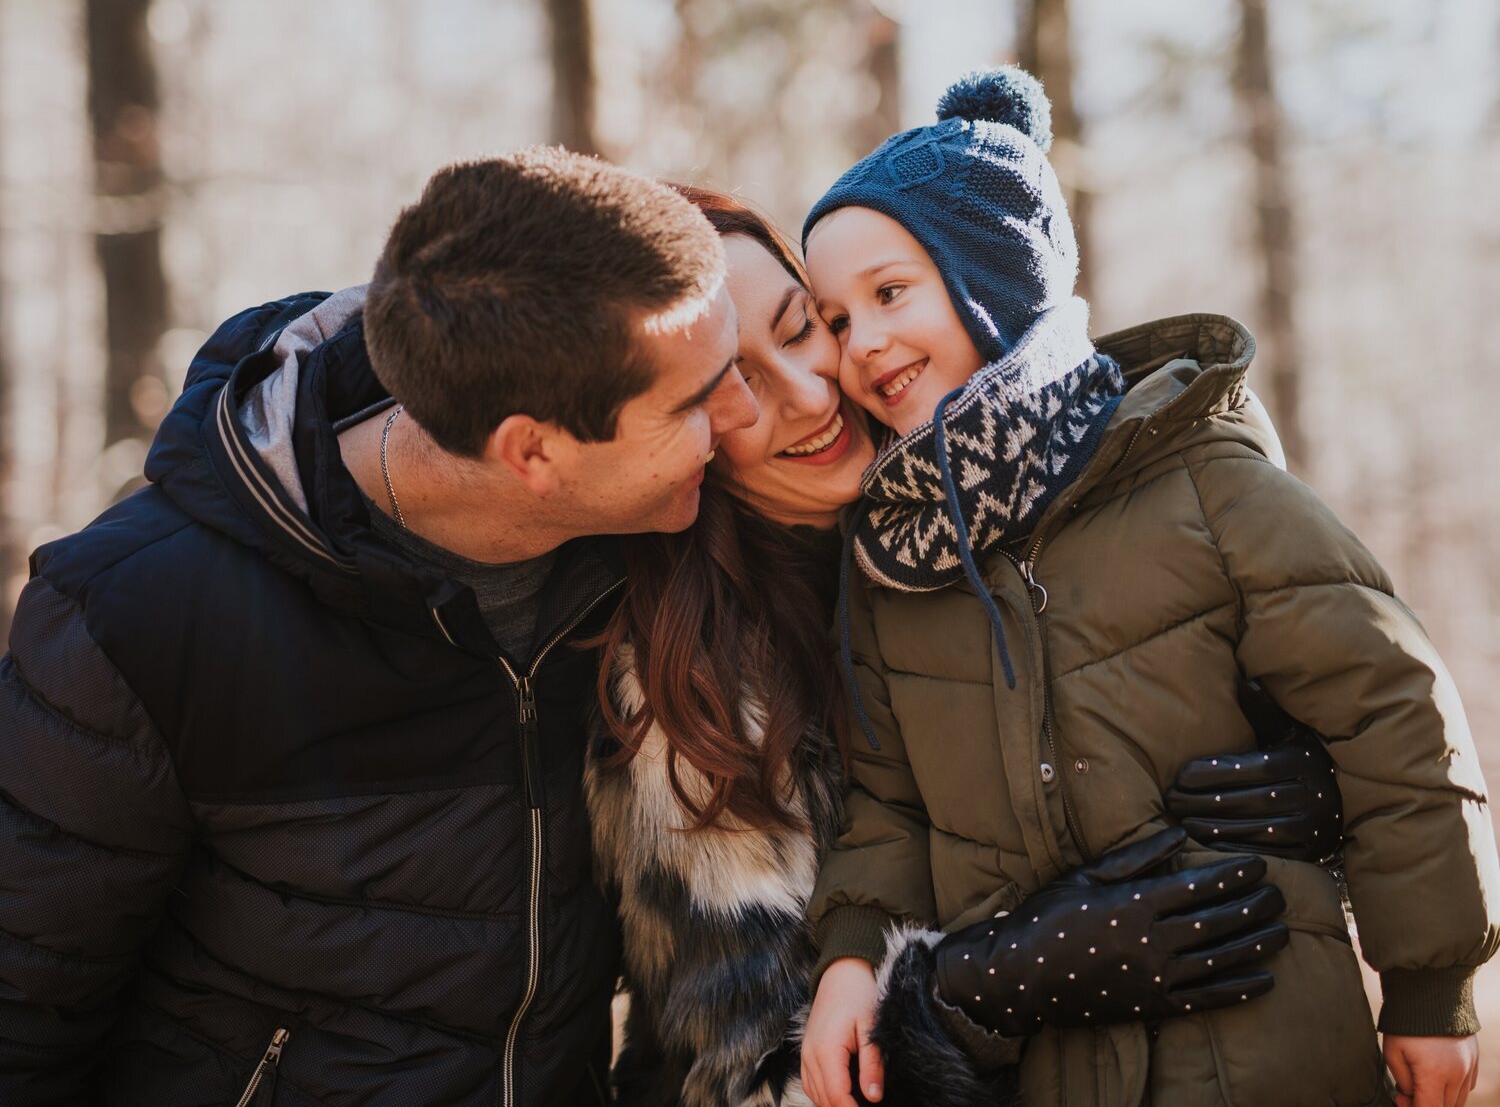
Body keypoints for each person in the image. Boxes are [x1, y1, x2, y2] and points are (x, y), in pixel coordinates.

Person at [799, 67, 1500, 1107]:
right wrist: (853, 958)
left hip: (1266, 1034)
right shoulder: (896, 563)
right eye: (835, 319)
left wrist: (1429, 987)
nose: (863, 345)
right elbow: (890, 805)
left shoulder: (1205, 482)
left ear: (994, 272)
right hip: (1046, 1059)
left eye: (889, 293)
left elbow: (1392, 710)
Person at [0, 149, 759, 1106]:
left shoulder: (651, 553)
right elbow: (20, 1020)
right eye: (699, 399)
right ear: (532, 449)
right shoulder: (133, 620)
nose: (746, 412)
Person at [585, 186, 1345, 1107]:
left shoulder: (1020, 517)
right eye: (733, 384)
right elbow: (755, 1085)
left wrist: (1307, 765)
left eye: (800, 328)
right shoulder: (687, 697)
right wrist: (972, 992)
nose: (809, 391)